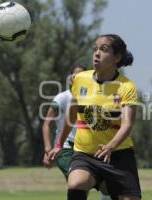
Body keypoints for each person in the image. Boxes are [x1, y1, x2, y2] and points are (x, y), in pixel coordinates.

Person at [47, 34, 141, 200]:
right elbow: (71, 116)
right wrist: (59, 145)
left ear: (117, 58)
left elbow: (127, 125)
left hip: (118, 155)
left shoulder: (127, 87)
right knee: (76, 184)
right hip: (85, 154)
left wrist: (110, 147)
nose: (97, 53)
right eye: (95, 49)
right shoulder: (80, 79)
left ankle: (106, 184)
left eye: (103, 50)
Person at [42, 64, 112, 200]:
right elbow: (46, 124)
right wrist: (47, 149)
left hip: (87, 149)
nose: (78, 78)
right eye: (75, 75)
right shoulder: (62, 98)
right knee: (79, 186)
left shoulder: (92, 97)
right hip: (66, 149)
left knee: (107, 186)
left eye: (82, 75)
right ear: (70, 79)